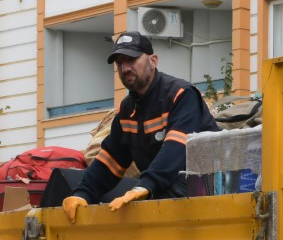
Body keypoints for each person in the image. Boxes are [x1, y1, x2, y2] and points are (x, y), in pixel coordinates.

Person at [59, 31, 222, 220]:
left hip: (207, 191)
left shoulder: (181, 95)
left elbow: (177, 150)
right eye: (119, 62)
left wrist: (145, 186)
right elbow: (110, 160)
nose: (125, 67)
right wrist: (82, 194)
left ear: (153, 61)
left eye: (131, 59)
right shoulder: (127, 110)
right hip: (164, 192)